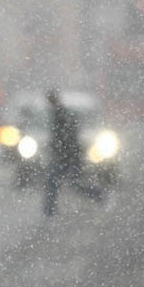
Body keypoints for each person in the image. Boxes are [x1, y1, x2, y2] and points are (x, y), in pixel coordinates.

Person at [42, 88, 99, 216]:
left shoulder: (60, 114)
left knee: (60, 183)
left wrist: (60, 149)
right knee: (66, 183)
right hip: (67, 156)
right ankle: (49, 211)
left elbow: (66, 137)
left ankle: (49, 211)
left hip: (67, 157)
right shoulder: (59, 113)